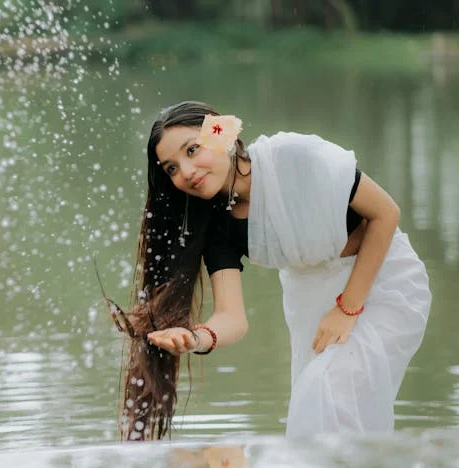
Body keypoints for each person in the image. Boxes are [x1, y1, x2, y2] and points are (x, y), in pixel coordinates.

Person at [116, 101, 431, 441]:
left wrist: (347, 308)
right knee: (317, 414)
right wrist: (195, 338)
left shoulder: (294, 156)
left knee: (328, 390)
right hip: (311, 299)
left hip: (382, 278)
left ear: (220, 134)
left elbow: (386, 213)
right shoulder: (219, 227)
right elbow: (232, 317)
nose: (186, 171)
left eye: (192, 150)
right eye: (171, 168)